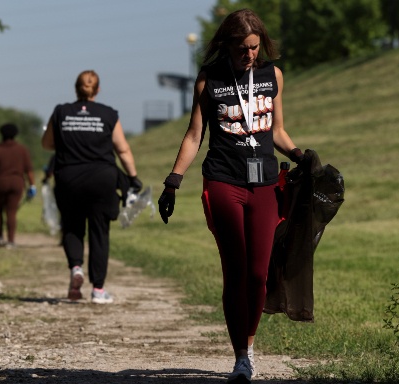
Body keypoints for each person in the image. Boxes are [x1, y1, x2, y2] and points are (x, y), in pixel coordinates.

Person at [156, 9, 310, 383]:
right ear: (227, 45)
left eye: (254, 47)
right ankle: (240, 357)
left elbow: (276, 131)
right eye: (242, 49)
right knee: (236, 270)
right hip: (223, 180)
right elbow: (195, 135)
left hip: (265, 183)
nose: (250, 55)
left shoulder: (272, 76)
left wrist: (302, 157)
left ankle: (250, 347)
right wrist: (173, 179)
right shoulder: (210, 80)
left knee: (258, 275)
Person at [41, 70, 143, 304]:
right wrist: (133, 177)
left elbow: (47, 144)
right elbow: (123, 150)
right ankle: (98, 290)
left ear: (76, 89)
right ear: (97, 90)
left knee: (72, 226)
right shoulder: (108, 114)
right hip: (102, 179)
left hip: (68, 178)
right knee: (100, 232)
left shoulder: (61, 112)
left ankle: (76, 268)